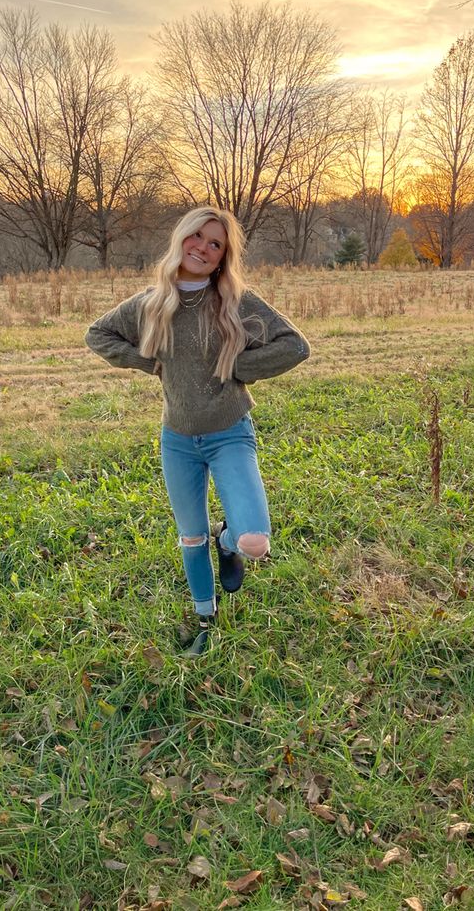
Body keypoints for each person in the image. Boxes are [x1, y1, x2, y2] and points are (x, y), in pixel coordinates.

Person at [85, 206, 310, 655]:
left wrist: (241, 365)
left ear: (224, 255)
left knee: (255, 540)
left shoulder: (235, 299)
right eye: (198, 237)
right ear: (181, 238)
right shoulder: (151, 302)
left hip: (229, 432)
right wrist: (149, 362)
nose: (203, 248)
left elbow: (295, 346)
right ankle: (205, 620)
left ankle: (226, 542)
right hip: (178, 440)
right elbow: (99, 334)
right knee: (190, 536)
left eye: (216, 244)